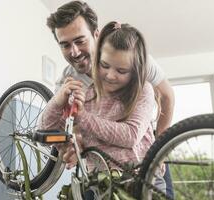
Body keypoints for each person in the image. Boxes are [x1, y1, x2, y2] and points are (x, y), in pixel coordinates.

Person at [47, 1, 174, 197]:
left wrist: (160, 148)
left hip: (142, 157)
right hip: (102, 171)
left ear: (96, 35)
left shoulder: (132, 56)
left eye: (80, 41)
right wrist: (70, 145)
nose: (74, 52)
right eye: (65, 45)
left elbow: (167, 97)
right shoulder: (67, 82)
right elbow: (69, 127)